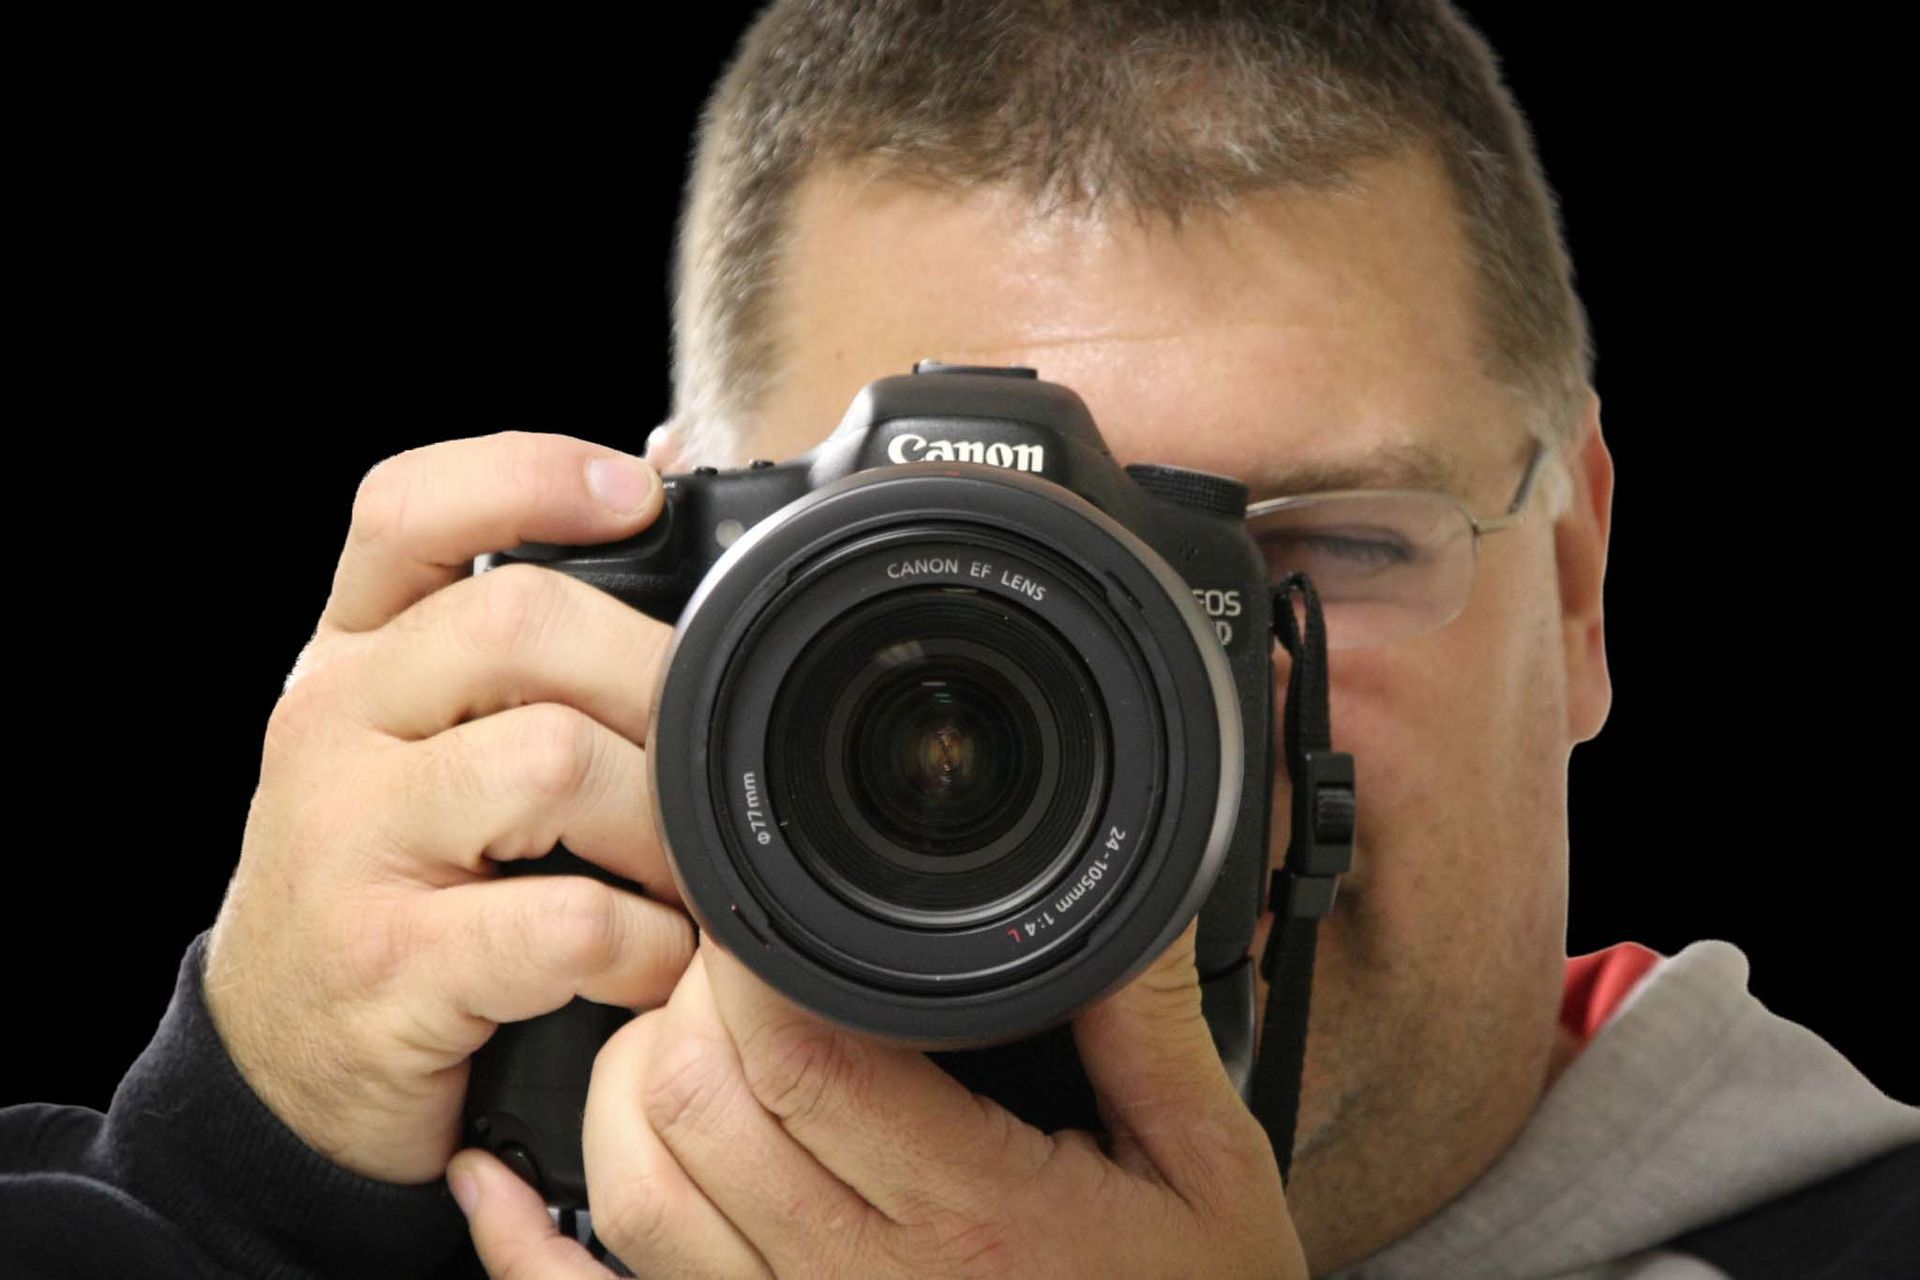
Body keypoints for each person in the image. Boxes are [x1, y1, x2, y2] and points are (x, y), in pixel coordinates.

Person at [3, 2, 1915, 1277]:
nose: (1164, 715)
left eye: (1318, 549)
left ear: (1576, 587)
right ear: (675, 616)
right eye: (930, 567)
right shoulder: (449, 1171)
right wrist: (245, 1177)